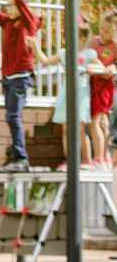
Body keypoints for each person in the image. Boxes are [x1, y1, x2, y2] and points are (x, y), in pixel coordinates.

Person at [26, 19, 102, 170]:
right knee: (66, 129)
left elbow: (100, 67)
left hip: (81, 94)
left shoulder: (89, 54)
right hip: (66, 94)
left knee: (80, 128)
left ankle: (87, 160)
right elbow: (45, 61)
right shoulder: (64, 53)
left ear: (82, 38)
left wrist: (92, 68)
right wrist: (35, 46)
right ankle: (69, 161)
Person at [0, 0, 41, 172]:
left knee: (13, 116)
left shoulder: (29, 22)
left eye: (12, 5)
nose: (8, 9)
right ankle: (18, 156)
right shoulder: (7, 22)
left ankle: (21, 157)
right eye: (7, 6)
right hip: (9, 77)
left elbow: (24, 6)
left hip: (21, 76)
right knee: (10, 116)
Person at [89, 9, 117, 170]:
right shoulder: (94, 42)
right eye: (101, 29)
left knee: (96, 122)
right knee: (104, 122)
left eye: (107, 30)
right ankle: (105, 156)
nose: (103, 33)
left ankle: (99, 157)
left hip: (104, 88)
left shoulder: (114, 46)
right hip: (92, 86)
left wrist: (112, 66)